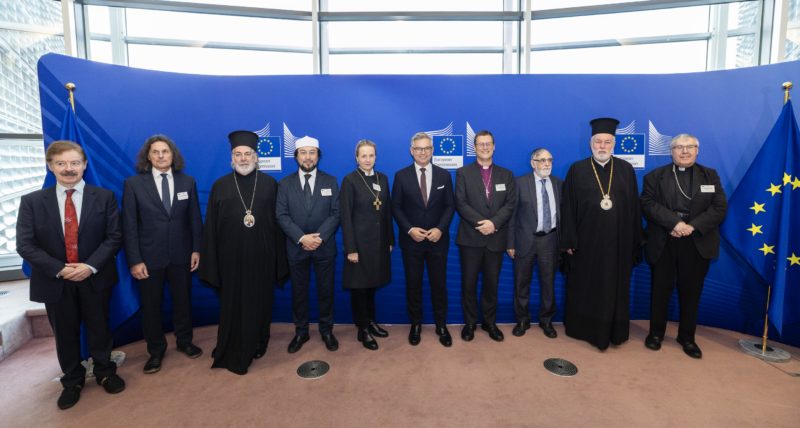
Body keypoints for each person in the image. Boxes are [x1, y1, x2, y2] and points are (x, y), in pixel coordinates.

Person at [17, 141, 125, 409]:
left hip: (94, 276)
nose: (69, 169)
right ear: (50, 166)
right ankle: (73, 380)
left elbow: (114, 237)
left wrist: (89, 266)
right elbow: (25, 244)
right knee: (64, 333)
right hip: (55, 280)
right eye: (62, 163)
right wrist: (59, 268)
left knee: (99, 328)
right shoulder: (32, 202)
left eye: (75, 163)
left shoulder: (104, 197)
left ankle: (105, 372)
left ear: (84, 165)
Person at [199, 130, 287, 375]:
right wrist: (212, 261)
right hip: (230, 260)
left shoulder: (270, 184)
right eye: (238, 154)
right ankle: (230, 343)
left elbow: (279, 225)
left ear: (256, 157)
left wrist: (280, 259)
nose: (243, 158)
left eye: (248, 153)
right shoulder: (220, 186)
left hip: (262, 258)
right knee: (232, 303)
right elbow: (211, 230)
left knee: (261, 303)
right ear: (232, 158)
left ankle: (260, 342)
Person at [641, 134, 727, 359]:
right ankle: (656, 334)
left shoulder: (710, 175)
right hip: (665, 240)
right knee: (660, 290)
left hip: (696, 242)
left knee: (692, 292)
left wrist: (692, 227)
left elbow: (719, 208)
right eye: (679, 147)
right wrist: (675, 223)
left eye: (690, 147)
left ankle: (687, 337)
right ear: (671, 151)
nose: (685, 151)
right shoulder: (655, 176)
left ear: (697, 150)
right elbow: (648, 204)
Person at [122, 135, 203, 374]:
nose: (160, 156)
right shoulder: (134, 184)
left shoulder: (187, 182)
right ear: (148, 156)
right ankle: (155, 351)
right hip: (148, 259)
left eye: (165, 151)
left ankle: (185, 342)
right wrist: (135, 260)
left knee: (183, 303)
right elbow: (129, 226)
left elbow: (195, 219)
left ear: (172, 155)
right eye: (155, 152)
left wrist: (196, 248)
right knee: (151, 307)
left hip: (181, 255)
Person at [560, 118, 643, 350]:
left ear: (614, 144)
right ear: (591, 144)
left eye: (607, 142)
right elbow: (567, 207)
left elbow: (634, 209)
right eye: (598, 141)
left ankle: (614, 331)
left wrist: (634, 241)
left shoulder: (626, 170)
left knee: (614, 287)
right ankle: (583, 329)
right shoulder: (577, 169)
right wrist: (569, 240)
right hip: (586, 244)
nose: (602, 146)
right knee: (586, 285)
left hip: (618, 244)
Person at [276, 136, 340, 353]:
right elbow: (281, 215)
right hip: (296, 247)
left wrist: (318, 237)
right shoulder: (285, 184)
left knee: (326, 290)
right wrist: (302, 238)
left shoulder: (330, 181)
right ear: (296, 157)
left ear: (318, 156)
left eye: (312, 152)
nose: (308, 157)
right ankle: (301, 331)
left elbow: (336, 213)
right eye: (303, 152)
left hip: (325, 246)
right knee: (299, 291)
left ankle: (327, 331)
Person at [392, 132, 455, 347]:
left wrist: (440, 229)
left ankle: (441, 325)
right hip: (412, 242)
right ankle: (415, 325)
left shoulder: (444, 175)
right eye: (418, 148)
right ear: (411, 151)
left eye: (427, 148)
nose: (422, 152)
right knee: (413, 285)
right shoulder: (401, 176)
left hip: (438, 241)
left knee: (439, 285)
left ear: (432, 150)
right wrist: (409, 230)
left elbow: (449, 206)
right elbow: (396, 207)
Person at [455, 130, 517, 342]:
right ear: (474, 147)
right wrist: (482, 223)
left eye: (488, 143)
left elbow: (510, 204)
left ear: (494, 146)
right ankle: (470, 323)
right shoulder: (463, 173)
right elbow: (461, 203)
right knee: (469, 284)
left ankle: (490, 323)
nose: (484, 147)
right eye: (480, 144)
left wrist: (494, 223)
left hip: (495, 238)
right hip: (470, 239)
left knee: (492, 284)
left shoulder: (506, 174)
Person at [340, 139, 394, 350]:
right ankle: (362, 329)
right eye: (363, 156)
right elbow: (346, 217)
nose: (368, 159)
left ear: (375, 157)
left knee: (372, 285)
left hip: (379, 244)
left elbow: (387, 211)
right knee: (359, 289)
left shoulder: (383, 178)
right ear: (357, 158)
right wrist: (351, 248)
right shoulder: (350, 181)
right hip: (359, 246)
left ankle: (372, 322)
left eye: (371, 155)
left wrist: (390, 239)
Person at [507, 148, 561, 339]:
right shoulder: (520, 183)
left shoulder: (558, 184)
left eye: (550, 160)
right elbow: (511, 216)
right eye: (542, 160)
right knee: (522, 283)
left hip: (550, 240)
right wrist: (510, 243)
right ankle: (522, 319)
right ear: (533, 163)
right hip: (525, 241)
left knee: (548, 284)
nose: (547, 164)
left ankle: (546, 321)